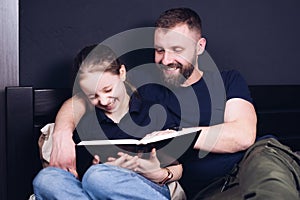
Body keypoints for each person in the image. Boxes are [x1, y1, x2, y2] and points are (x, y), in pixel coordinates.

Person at [48, 8, 300, 199]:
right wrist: (61, 133)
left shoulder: (227, 80)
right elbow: (82, 98)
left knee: (270, 183)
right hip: (210, 190)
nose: (166, 59)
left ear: (199, 47)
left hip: (253, 160)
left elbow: (243, 135)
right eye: (159, 50)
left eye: (176, 49)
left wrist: (180, 136)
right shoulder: (147, 89)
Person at [33, 44, 185, 199]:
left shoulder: (151, 110)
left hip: (146, 188)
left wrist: (158, 174)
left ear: (122, 73)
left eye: (107, 90)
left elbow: (177, 168)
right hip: (97, 191)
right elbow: (80, 178)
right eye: (93, 96)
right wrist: (98, 169)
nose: (104, 101)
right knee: (46, 179)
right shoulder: (86, 121)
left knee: (97, 177)